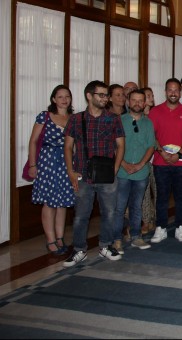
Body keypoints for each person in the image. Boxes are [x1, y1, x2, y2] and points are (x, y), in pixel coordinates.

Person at [63, 80, 126, 267]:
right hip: (82, 174)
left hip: (107, 174)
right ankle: (79, 249)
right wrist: (70, 171)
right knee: (81, 215)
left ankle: (106, 245)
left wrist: (115, 168)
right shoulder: (76, 119)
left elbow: (121, 145)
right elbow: (68, 146)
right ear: (89, 96)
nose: (105, 98)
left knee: (109, 212)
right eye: (101, 95)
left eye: (106, 95)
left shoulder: (113, 118)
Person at [28, 85, 76, 255]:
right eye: (60, 96)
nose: (64, 99)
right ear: (54, 99)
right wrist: (33, 165)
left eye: (67, 96)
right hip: (48, 161)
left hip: (67, 162)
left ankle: (60, 237)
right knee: (49, 203)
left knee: (62, 202)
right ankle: (50, 239)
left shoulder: (74, 118)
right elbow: (33, 141)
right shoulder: (45, 116)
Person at [149, 78, 182, 244]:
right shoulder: (155, 111)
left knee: (181, 195)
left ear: (180, 92)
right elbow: (152, 136)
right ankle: (160, 227)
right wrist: (163, 153)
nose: (173, 93)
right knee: (161, 196)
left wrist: (179, 153)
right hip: (161, 162)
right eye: (170, 90)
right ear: (165, 91)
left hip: (181, 163)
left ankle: (180, 226)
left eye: (176, 90)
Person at [114, 89, 155, 252]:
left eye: (140, 101)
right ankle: (116, 239)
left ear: (144, 103)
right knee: (119, 206)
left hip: (141, 172)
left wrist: (140, 165)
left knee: (136, 206)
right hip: (122, 172)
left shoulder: (148, 123)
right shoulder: (119, 121)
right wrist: (123, 164)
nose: (137, 103)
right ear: (128, 102)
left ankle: (136, 236)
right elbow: (114, 146)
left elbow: (151, 146)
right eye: (134, 100)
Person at [140, 86, 157, 236]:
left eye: (152, 95)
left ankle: (155, 219)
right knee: (145, 193)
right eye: (148, 95)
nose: (151, 98)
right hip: (143, 159)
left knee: (157, 190)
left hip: (156, 158)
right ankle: (146, 220)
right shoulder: (138, 117)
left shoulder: (156, 114)